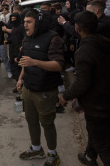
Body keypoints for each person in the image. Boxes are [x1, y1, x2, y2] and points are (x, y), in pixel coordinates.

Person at [60, 11, 110, 166]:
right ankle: (89, 156)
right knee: (95, 133)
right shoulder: (103, 41)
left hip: (97, 105)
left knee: (103, 144)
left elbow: (82, 83)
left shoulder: (84, 51)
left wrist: (65, 96)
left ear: (78, 28)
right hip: (105, 99)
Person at [17, 10, 64, 166]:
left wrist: (35, 62)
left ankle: (52, 154)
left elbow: (58, 65)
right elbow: (26, 61)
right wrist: (20, 78)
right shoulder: (26, 38)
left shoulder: (53, 38)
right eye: (24, 21)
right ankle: (37, 149)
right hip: (28, 88)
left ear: (39, 22)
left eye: (29, 21)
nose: (25, 24)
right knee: (31, 120)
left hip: (45, 90)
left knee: (47, 123)